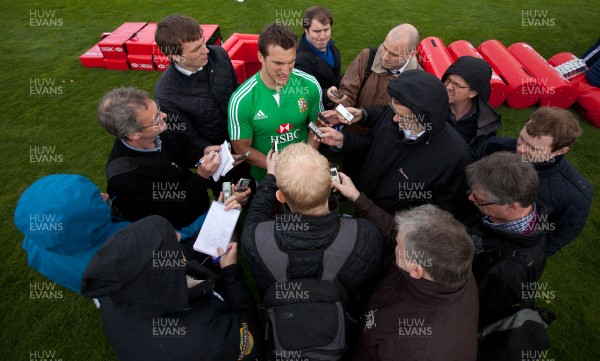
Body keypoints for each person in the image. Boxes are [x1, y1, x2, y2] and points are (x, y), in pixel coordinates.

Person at [241, 143, 383, 359]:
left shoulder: (255, 237)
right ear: (332, 186)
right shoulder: (366, 233)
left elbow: (255, 217)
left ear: (280, 197)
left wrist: (270, 177)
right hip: (344, 317)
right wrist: (357, 198)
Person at [81, 215, 264, 361]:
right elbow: (252, 339)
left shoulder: (113, 298)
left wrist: (218, 216)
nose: (177, 236)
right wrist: (231, 271)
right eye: (171, 245)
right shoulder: (210, 341)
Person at [319, 70, 473, 217]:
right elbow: (374, 142)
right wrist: (344, 140)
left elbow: (440, 214)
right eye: (394, 111)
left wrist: (363, 203)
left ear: (426, 118)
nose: (394, 119)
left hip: (393, 232)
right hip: (365, 204)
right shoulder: (400, 113)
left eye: (402, 116)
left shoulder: (456, 158)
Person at [350, 204, 478, 361]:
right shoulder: (454, 264)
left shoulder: (411, 351)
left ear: (416, 270)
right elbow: (405, 236)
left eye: (398, 245)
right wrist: (360, 201)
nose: (395, 244)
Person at [473, 107, 593, 256]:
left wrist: (526, 256)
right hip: (472, 224)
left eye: (532, 148)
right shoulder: (494, 146)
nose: (521, 149)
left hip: (508, 250)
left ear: (560, 151)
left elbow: (560, 235)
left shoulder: (575, 194)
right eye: (521, 138)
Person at [154, 15, 251, 195]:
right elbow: (187, 137)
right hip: (218, 161)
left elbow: (236, 93)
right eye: (196, 49)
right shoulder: (166, 94)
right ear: (175, 55)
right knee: (227, 198)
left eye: (204, 42)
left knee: (253, 185)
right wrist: (216, 152)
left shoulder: (219, 55)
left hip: (245, 140)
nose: (206, 50)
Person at [228, 23, 324, 182]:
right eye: (278, 63)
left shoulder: (310, 84)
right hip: (267, 178)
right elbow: (242, 148)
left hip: (303, 172)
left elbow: (316, 126)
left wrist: (308, 158)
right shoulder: (241, 100)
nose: (285, 71)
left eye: (291, 62)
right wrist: (282, 168)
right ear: (260, 57)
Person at [466, 152, 547, 328]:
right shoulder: (521, 206)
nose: (470, 198)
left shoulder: (508, 272)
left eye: (479, 199)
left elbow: (476, 309)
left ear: (512, 206)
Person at [14, 174, 129, 293]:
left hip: (80, 281)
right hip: (114, 291)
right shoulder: (125, 244)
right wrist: (97, 209)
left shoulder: (35, 244)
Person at [325, 23, 420, 108]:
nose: (385, 57)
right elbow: (348, 90)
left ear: (411, 54)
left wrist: (363, 116)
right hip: (351, 126)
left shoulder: (419, 81)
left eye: (394, 54)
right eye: (385, 48)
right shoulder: (367, 56)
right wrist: (341, 112)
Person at [442, 56, 501, 145]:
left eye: (457, 85)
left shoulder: (486, 124)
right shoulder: (432, 105)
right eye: (448, 80)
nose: (448, 87)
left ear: (473, 93)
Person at [294, 6, 342, 109]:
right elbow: (303, 95)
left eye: (326, 30)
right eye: (317, 31)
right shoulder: (299, 62)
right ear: (306, 30)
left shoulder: (331, 46)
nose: (323, 36)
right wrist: (326, 94)